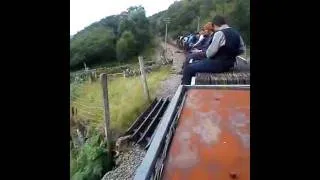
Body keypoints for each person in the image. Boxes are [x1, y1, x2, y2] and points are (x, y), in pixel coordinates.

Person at [181, 15, 245, 85]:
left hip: (218, 65)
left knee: (188, 68)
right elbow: (242, 50)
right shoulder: (236, 33)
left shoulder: (219, 33)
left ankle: (185, 90)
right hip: (230, 64)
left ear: (215, 24)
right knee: (195, 64)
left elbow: (209, 53)